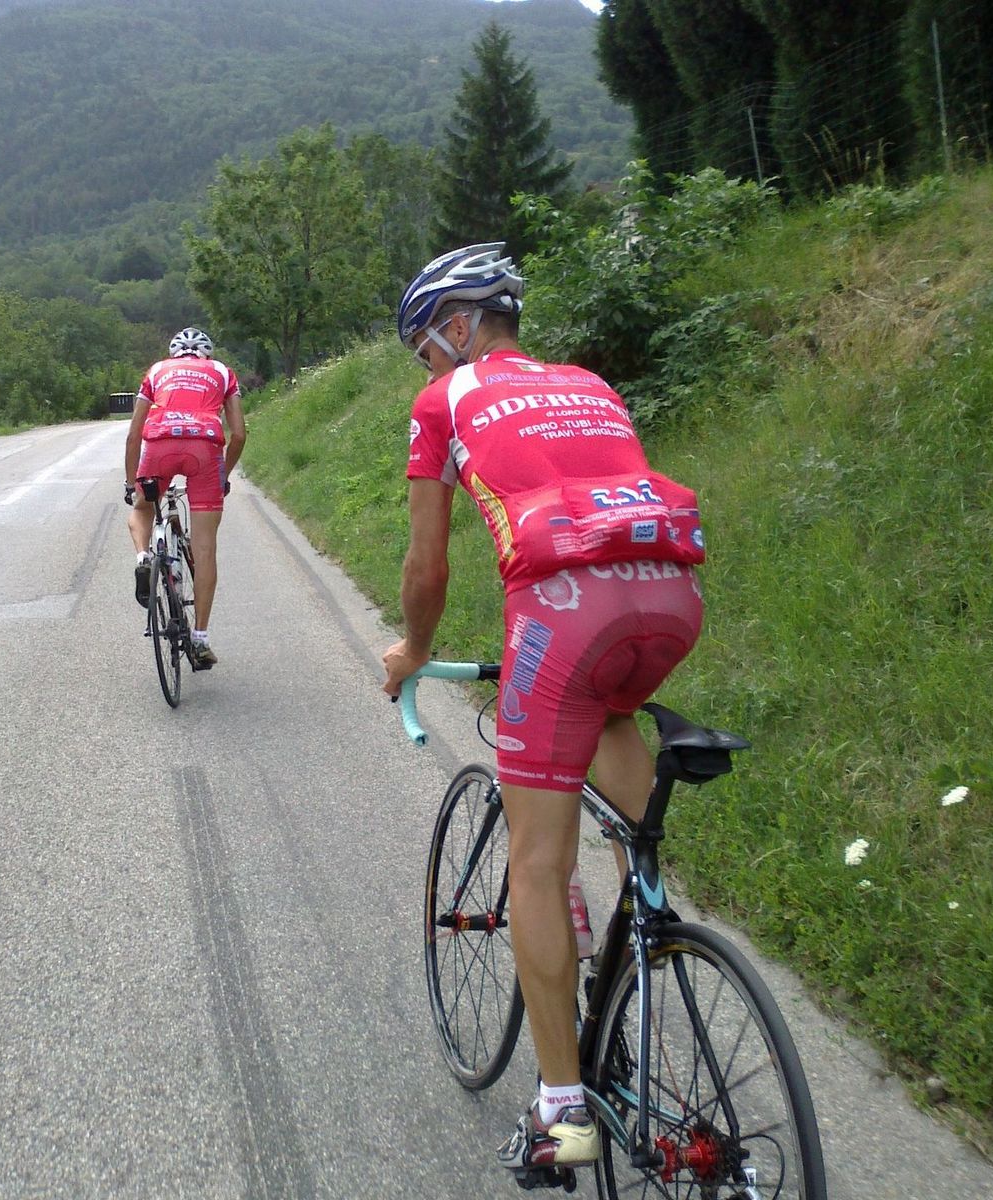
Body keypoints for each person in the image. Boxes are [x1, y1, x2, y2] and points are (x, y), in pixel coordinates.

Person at [379, 245, 705, 1174]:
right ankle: (648, 921)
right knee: (611, 714)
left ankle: (563, 1115)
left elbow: (427, 565)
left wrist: (411, 650)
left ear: (457, 326)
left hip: (563, 620)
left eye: (424, 348)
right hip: (672, 604)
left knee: (536, 861)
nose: (425, 368)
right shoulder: (591, 383)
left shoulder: (444, 401)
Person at [124, 326, 248, 669]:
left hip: (160, 445)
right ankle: (200, 639)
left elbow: (134, 434)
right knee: (204, 549)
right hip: (205, 448)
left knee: (142, 509)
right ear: (206, 354)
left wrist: (130, 483)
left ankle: (143, 557)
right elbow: (239, 434)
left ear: (174, 354)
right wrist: (223, 475)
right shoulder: (222, 372)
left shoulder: (156, 371)